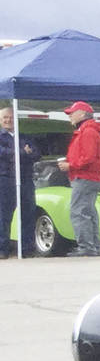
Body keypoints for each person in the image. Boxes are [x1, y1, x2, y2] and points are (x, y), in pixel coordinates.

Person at [63, 101, 100, 256]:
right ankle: (93, 247)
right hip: (90, 177)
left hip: (84, 177)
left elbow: (88, 157)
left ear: (82, 113)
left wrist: (70, 165)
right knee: (88, 212)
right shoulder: (89, 131)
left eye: (72, 113)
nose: (70, 116)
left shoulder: (87, 132)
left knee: (79, 211)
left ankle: (86, 248)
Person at [0, 106, 19, 259]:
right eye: (5, 117)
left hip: (21, 179)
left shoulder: (22, 135)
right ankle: (2, 249)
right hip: (4, 179)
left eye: (11, 117)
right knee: (3, 215)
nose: (8, 120)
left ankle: (24, 248)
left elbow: (35, 153)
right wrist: (19, 151)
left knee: (23, 214)